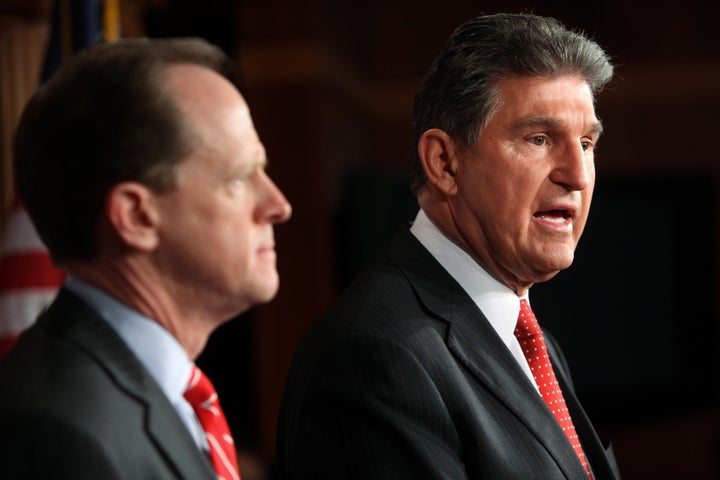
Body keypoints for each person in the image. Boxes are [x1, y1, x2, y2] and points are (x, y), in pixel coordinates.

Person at [277, 13, 620, 480]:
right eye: (539, 139)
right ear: (444, 163)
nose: (577, 175)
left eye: (586, 142)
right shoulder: (376, 354)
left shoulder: (531, 339)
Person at [0, 37, 291, 479]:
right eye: (240, 178)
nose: (278, 204)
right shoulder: (62, 430)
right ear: (136, 216)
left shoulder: (169, 389)